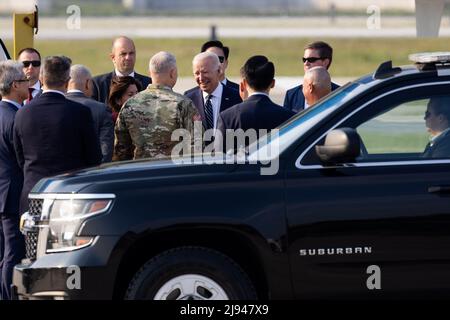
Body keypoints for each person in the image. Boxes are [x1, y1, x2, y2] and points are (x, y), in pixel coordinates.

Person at [13, 56, 102, 214]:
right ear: (67, 81)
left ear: (41, 78)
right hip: (69, 195)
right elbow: (94, 158)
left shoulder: (22, 113)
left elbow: (20, 157)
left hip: (34, 193)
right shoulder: (80, 113)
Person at [114, 51, 200, 161]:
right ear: (172, 73)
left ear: (150, 73)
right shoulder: (184, 104)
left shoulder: (130, 105)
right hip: (174, 173)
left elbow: (120, 150)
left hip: (140, 173)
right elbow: (197, 145)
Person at [216, 55, 295, 153]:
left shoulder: (227, 117)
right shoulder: (289, 117)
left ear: (243, 84)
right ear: (273, 83)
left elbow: (218, 157)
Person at [0, 61, 28, 300]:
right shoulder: (16, 118)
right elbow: (23, 159)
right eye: (25, 81)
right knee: (13, 252)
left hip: (3, 192)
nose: (28, 85)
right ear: (14, 85)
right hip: (12, 195)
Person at [66, 64, 114, 163]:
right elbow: (106, 150)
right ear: (88, 83)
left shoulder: (56, 106)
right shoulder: (101, 109)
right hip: (91, 174)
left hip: (61, 174)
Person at [184, 52, 242, 131]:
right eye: (197, 73)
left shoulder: (236, 97)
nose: (201, 78)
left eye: (205, 72)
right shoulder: (189, 99)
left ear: (218, 71)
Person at [92, 36, 151, 104]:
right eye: (123, 54)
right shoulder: (98, 85)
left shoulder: (148, 84)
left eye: (131, 53)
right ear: (113, 58)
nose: (128, 57)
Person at [284, 41, 339, 113]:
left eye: (311, 60)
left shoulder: (340, 94)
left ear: (325, 62)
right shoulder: (292, 95)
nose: (306, 63)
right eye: (304, 60)